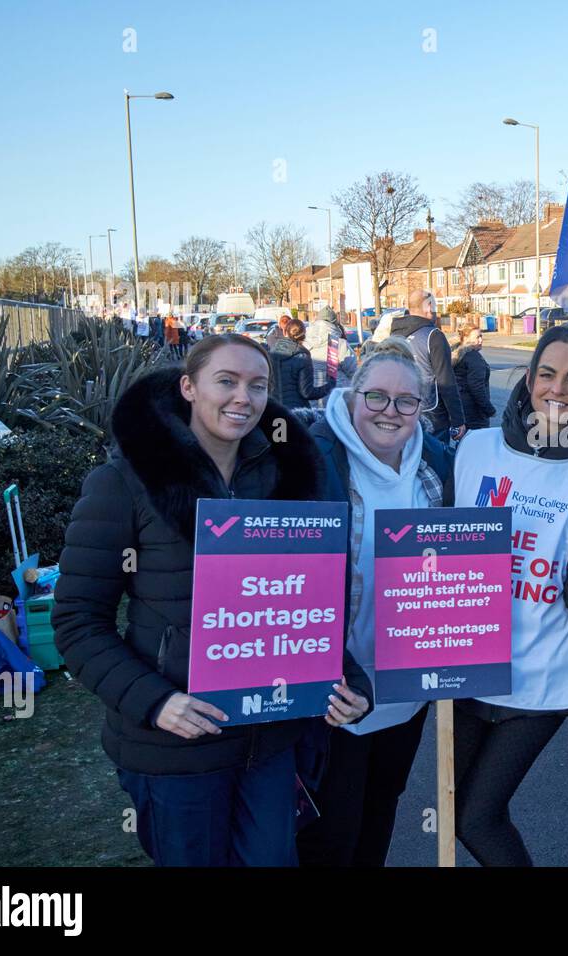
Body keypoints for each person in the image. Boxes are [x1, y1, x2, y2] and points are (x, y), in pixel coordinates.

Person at [52, 334, 372, 867]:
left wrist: (350, 684)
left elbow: (296, 613)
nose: (242, 398)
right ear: (188, 387)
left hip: (268, 743)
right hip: (176, 746)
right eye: (226, 381)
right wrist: (156, 702)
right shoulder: (123, 483)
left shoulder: (286, 483)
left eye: (257, 385)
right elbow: (78, 622)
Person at [450, 323, 568, 866]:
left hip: (545, 669)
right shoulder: (473, 449)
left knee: (477, 815)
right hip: (466, 662)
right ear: (528, 379)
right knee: (453, 812)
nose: (558, 389)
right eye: (547, 374)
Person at [295, 338, 451, 867]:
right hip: (333, 688)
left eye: (407, 401)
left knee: (381, 809)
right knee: (329, 830)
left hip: (405, 686)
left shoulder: (436, 463)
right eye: (377, 396)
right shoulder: (310, 456)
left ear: (422, 408)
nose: (391, 411)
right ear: (352, 392)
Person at [392, 289, 465, 444]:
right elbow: (446, 381)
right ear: (428, 306)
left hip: (401, 410)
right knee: (435, 462)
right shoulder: (433, 336)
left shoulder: (395, 335)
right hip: (432, 414)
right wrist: (458, 420)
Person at [269, 318, 336, 410]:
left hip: (275, 409)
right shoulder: (302, 357)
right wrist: (329, 386)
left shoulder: (270, 354)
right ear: (304, 335)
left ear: (285, 332)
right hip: (297, 411)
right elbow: (307, 393)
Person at [453, 325, 496, 430]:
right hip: (475, 413)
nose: (481, 340)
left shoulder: (458, 353)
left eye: (481, 336)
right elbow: (477, 388)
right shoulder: (473, 357)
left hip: (462, 408)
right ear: (466, 339)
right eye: (477, 337)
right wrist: (489, 410)